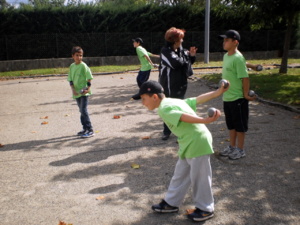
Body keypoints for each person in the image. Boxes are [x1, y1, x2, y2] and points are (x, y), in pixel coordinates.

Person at [138, 80, 228, 222]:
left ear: (154, 97)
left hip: (197, 142)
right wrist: (218, 92)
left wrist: (204, 120)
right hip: (188, 142)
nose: (142, 103)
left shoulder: (164, 108)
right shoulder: (173, 101)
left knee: (200, 178)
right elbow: (198, 99)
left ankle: (205, 209)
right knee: (180, 175)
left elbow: (182, 117)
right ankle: (171, 203)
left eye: (144, 99)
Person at [218, 30, 256, 159]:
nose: (224, 42)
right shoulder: (226, 56)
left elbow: (245, 78)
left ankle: (240, 150)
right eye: (224, 40)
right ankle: (232, 147)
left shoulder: (238, 58)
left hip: (238, 98)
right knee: (231, 125)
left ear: (235, 42)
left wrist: (245, 94)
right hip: (227, 97)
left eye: (227, 40)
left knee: (240, 126)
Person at [158, 27, 197, 140]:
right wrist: (187, 58)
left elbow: (188, 63)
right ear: (174, 40)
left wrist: (192, 56)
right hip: (168, 85)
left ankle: (180, 131)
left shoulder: (181, 50)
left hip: (181, 84)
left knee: (180, 107)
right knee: (169, 107)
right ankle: (166, 131)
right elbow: (176, 63)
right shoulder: (165, 51)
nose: (182, 41)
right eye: (181, 38)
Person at [67, 46, 94, 138]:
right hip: (76, 93)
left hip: (84, 92)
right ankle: (85, 128)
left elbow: (89, 77)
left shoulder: (83, 65)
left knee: (83, 110)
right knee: (81, 110)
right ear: (73, 56)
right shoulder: (72, 66)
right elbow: (70, 79)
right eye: (77, 55)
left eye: (81, 55)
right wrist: (73, 90)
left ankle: (90, 130)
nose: (79, 57)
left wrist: (88, 88)